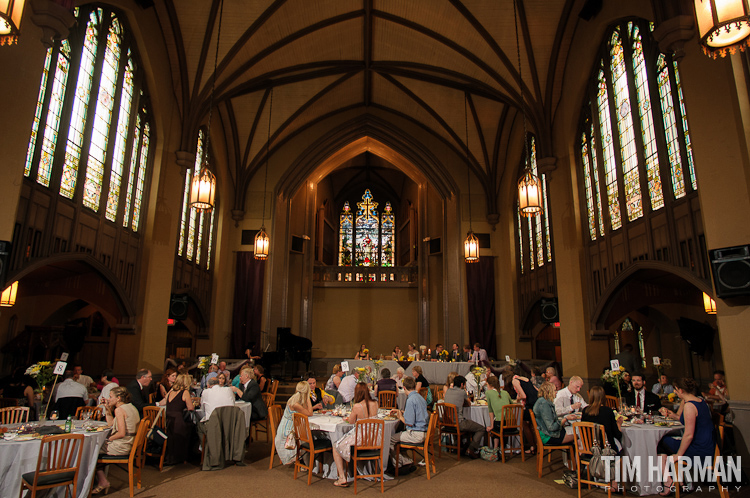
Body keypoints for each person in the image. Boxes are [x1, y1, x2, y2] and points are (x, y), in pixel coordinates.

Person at [658, 378, 715, 495]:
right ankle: (680, 481)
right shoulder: (700, 401)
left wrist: (678, 455)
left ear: (681, 390)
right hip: (708, 445)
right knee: (667, 442)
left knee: (661, 443)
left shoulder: (689, 406)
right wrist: (671, 414)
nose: (675, 392)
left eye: (676, 390)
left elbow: (688, 435)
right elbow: (686, 420)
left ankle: (669, 482)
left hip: (700, 449)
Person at [91, 387, 140, 494]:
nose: (109, 399)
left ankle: (100, 481)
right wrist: (107, 408)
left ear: (118, 398)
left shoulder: (119, 410)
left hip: (122, 446)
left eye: (110, 397)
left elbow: (121, 433)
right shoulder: (130, 407)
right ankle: (102, 480)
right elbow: (111, 424)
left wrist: (109, 439)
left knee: (91, 450)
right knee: (96, 448)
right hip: (129, 443)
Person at [332, 383, 379, 487]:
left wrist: (347, 419)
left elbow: (352, 421)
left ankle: (342, 477)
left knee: (336, 446)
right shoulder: (375, 403)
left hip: (361, 438)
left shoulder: (357, 406)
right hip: (374, 438)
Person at [387, 376, 428, 471]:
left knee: (390, 439)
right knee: (398, 435)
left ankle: (399, 463)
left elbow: (409, 423)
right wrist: (400, 411)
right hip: (424, 432)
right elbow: (416, 413)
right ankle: (405, 460)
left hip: (416, 434)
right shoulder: (420, 397)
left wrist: (400, 417)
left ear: (404, 388)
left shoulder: (410, 400)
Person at [443, 375, 485, 458]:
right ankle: (471, 448)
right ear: (462, 384)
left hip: (448, 421)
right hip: (459, 423)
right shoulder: (462, 392)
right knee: (481, 428)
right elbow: (469, 403)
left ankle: (460, 445)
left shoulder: (448, 391)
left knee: (468, 425)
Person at [274, 381, 314, 466]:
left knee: (307, 432)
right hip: (287, 430)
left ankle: (307, 460)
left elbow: (307, 411)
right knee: (306, 436)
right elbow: (310, 413)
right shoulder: (295, 403)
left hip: (294, 425)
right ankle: (305, 461)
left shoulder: (297, 399)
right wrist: (308, 398)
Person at [163, 373, 195, 465]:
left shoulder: (171, 391)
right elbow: (190, 408)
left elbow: (165, 399)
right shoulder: (185, 392)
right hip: (178, 420)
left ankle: (171, 456)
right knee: (191, 428)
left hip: (168, 419)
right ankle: (183, 457)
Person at [533, 381, 577, 447]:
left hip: (549, 433)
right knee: (580, 434)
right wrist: (565, 419)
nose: (556, 392)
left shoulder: (543, 401)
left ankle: (577, 455)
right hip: (549, 436)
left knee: (574, 431)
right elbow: (551, 427)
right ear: (549, 392)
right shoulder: (544, 404)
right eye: (555, 390)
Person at [582, 386, 622, 451]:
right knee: (623, 449)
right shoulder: (608, 411)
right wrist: (619, 424)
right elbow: (617, 435)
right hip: (607, 451)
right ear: (603, 397)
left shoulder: (585, 411)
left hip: (591, 450)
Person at [509, 364, 539, 453]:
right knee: (533, 426)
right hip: (536, 402)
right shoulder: (524, 379)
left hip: (529, 404)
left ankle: (532, 447)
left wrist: (517, 399)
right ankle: (537, 445)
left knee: (526, 425)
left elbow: (523, 396)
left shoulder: (515, 381)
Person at [485, 375, 512, 449]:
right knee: (499, 424)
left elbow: (490, 410)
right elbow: (512, 404)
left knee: (494, 427)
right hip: (511, 423)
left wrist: (491, 425)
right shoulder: (505, 392)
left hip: (500, 424)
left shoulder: (488, 393)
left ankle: (495, 448)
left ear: (490, 385)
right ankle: (502, 447)